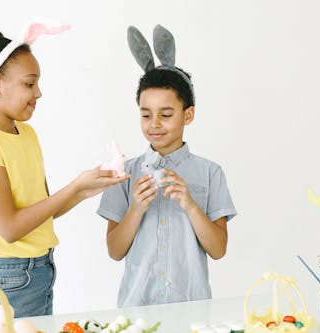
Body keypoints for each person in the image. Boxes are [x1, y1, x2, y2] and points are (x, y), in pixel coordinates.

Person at [0, 23, 129, 318]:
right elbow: (10, 228)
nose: (38, 93)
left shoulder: (27, 134)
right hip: (6, 278)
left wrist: (88, 188)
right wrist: (75, 186)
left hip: (41, 269)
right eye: (29, 83)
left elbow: (40, 211)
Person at [96, 25, 237, 307]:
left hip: (192, 312)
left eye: (166, 114)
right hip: (136, 312)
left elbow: (218, 249)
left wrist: (190, 205)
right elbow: (114, 250)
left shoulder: (211, 173)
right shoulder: (124, 173)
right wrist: (136, 208)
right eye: (146, 115)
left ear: (188, 115)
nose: (154, 124)